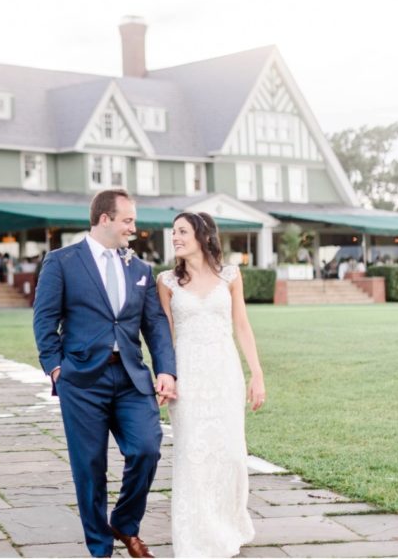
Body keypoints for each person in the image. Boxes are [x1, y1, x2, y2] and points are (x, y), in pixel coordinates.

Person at [33, 189, 176, 557]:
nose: (134, 227)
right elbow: (45, 319)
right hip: (81, 380)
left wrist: (167, 371)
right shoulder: (61, 262)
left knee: (147, 449)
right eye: (128, 220)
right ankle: (100, 549)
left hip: (131, 377)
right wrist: (54, 367)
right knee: (90, 468)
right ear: (104, 219)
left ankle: (124, 524)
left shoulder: (140, 268)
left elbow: (155, 325)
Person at [157, 212, 265, 558]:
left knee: (231, 453)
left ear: (203, 236)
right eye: (173, 232)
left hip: (224, 372)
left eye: (182, 231)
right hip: (188, 375)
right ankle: (195, 538)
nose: (175, 237)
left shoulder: (230, 276)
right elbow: (165, 335)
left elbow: (243, 326)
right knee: (193, 454)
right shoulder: (166, 282)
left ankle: (228, 525)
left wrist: (257, 374)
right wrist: (166, 375)